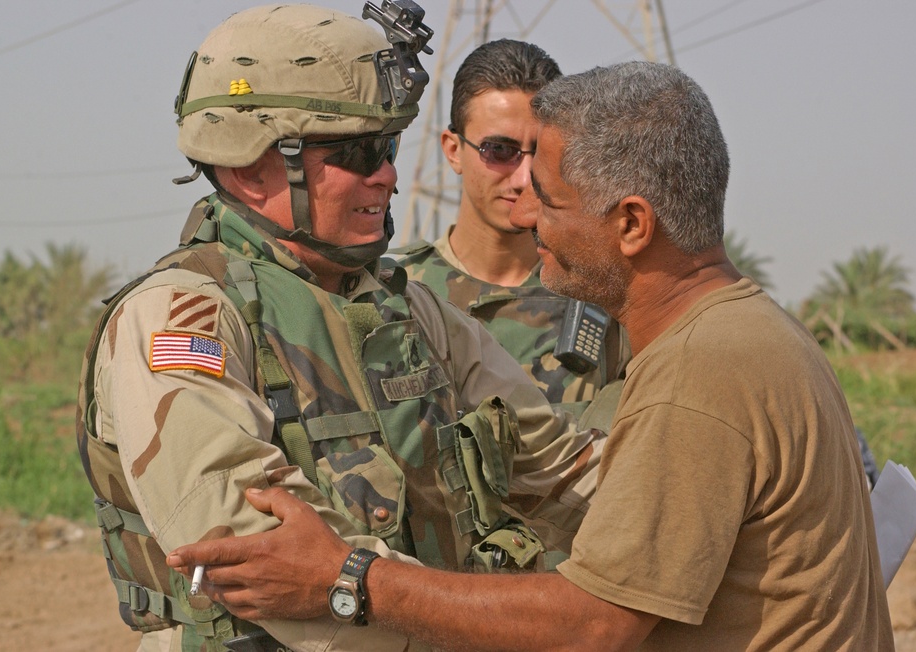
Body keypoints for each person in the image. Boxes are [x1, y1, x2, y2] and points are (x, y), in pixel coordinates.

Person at [167, 61, 895, 650]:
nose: (528, 213)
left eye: (548, 197)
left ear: (632, 224)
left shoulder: (697, 370)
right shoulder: (752, 330)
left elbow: (591, 625)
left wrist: (348, 576)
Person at [76, 4, 602, 651]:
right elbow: (258, 556)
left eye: (388, 146)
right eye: (357, 151)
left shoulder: (405, 309)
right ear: (248, 165)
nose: (386, 174)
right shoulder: (181, 317)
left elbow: (562, 470)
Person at [389, 39, 628, 424]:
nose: (523, 178)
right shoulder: (391, 291)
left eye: (543, 153)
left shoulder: (605, 295)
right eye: (499, 150)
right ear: (453, 150)